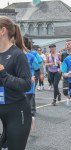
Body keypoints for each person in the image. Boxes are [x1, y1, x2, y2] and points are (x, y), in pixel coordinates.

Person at [0, 16, 31, 150]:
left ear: (3, 31)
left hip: (17, 111)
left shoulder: (18, 55)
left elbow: (26, 84)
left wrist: (3, 74)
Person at [23, 36, 40, 131]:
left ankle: (31, 116)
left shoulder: (32, 55)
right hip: (16, 84)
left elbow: (37, 67)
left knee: (26, 104)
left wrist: (34, 76)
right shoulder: (14, 54)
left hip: (28, 84)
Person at [61, 39, 71, 113]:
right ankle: (69, 98)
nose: (67, 45)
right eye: (66, 44)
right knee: (65, 91)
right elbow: (61, 63)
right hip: (66, 75)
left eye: (69, 44)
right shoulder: (63, 54)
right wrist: (61, 72)